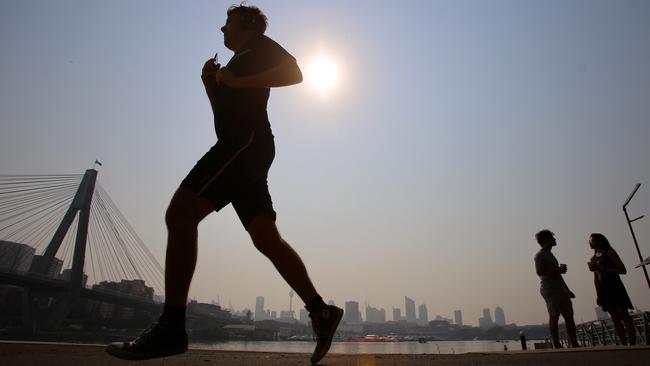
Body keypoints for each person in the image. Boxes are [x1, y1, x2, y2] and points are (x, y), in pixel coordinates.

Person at [106, 4, 343, 364]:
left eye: (227, 23)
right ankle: (320, 311)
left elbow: (295, 74)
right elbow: (223, 115)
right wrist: (211, 85)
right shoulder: (237, 62)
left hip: (244, 145)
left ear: (246, 24)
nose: (221, 30)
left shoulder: (259, 46)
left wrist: (237, 81)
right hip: (241, 145)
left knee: (181, 216)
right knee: (265, 236)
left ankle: (171, 327)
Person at [588, 233, 636, 345]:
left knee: (624, 315)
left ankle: (632, 342)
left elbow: (622, 270)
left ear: (599, 241)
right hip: (604, 289)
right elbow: (596, 278)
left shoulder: (609, 253)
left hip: (614, 285)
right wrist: (598, 294)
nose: (590, 243)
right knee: (615, 318)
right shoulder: (593, 258)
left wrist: (602, 268)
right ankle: (623, 343)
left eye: (592, 240)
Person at [534, 230, 579, 348]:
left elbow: (557, 275)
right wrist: (557, 270)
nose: (555, 239)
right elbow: (539, 271)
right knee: (554, 316)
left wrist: (567, 289)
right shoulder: (540, 255)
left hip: (560, 288)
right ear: (546, 240)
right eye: (552, 238)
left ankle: (574, 342)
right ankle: (557, 343)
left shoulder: (550, 254)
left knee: (569, 315)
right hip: (550, 289)